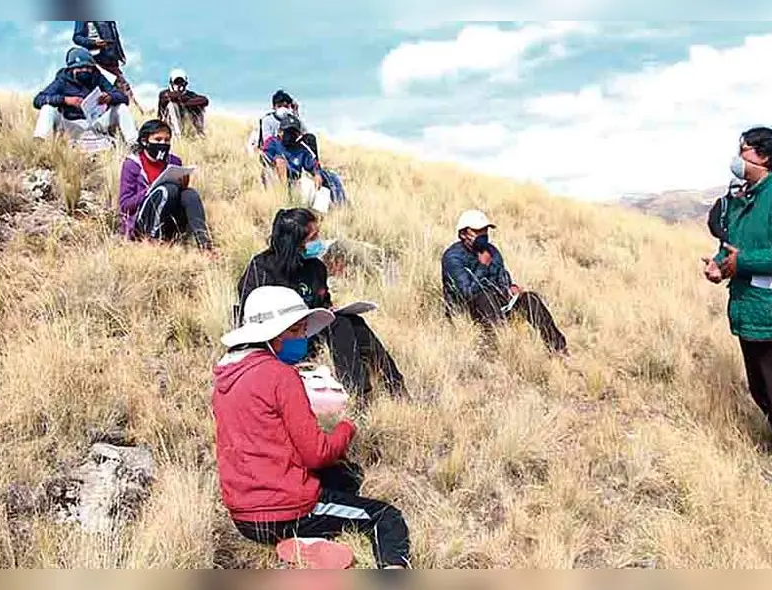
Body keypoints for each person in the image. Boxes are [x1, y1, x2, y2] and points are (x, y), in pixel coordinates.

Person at [213, 285, 411, 569]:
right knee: (385, 518)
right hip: (286, 511)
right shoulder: (280, 376)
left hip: (244, 517)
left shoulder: (226, 377)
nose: (303, 338)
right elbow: (317, 454)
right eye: (296, 331)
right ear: (274, 335)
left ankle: (306, 543)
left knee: (344, 476)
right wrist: (346, 429)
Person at [702, 126, 772, 488]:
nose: (738, 157)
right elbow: (731, 247)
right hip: (750, 311)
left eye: (744, 150)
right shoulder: (743, 198)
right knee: (762, 390)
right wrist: (719, 266)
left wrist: (743, 262)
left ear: (764, 156)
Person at [236, 208, 406, 399]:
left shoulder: (316, 268)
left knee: (352, 322)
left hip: (309, 333)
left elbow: (322, 301)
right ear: (295, 242)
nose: (319, 241)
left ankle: (393, 385)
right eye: (313, 237)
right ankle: (357, 392)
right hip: (278, 340)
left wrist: (329, 308)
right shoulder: (261, 269)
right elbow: (248, 316)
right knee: (338, 324)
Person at [442, 209, 568, 354]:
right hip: (469, 311)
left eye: (485, 230)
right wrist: (482, 266)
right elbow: (467, 293)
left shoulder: (492, 251)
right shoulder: (453, 257)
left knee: (530, 299)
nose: (483, 234)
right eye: (478, 231)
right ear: (463, 234)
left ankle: (558, 349)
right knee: (485, 296)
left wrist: (511, 288)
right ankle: (497, 350)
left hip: (498, 307)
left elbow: (503, 278)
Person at [118, 119, 212, 250]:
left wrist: (183, 185)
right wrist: (149, 191)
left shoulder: (174, 161)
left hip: (170, 220)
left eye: (167, 140)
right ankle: (153, 241)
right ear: (145, 141)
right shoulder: (132, 164)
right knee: (168, 189)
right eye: (158, 140)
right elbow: (125, 205)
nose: (163, 144)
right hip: (143, 222)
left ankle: (204, 245)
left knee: (189, 194)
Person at [33, 47, 137, 146]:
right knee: (47, 109)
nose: (85, 70)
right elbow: (38, 100)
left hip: (96, 123)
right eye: (80, 67)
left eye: (88, 67)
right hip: (70, 124)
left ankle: (133, 143)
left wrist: (110, 97)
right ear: (71, 68)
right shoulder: (62, 80)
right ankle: (40, 143)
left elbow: (123, 97)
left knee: (121, 107)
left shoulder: (97, 77)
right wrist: (65, 100)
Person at [264, 114, 347, 210]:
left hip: (295, 181)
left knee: (320, 188)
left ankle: (318, 213)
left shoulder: (302, 149)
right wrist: (276, 161)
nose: (290, 135)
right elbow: (264, 157)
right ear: (280, 132)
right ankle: (283, 199)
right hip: (275, 179)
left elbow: (313, 164)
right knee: (280, 163)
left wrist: (317, 174)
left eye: (293, 133)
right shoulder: (272, 142)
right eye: (287, 132)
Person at [71, 21, 141, 111]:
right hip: (96, 59)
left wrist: (120, 54)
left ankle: (133, 110)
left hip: (111, 58)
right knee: (102, 89)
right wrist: (93, 43)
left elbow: (115, 37)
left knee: (121, 86)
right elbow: (77, 38)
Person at [247, 89, 318, 157]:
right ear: (274, 107)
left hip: (292, 150)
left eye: (286, 106)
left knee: (310, 138)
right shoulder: (267, 120)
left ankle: (314, 163)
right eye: (279, 106)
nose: (283, 109)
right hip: (275, 151)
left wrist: (295, 113)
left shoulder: (293, 119)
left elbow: (304, 132)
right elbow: (268, 141)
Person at [157, 68, 209, 138]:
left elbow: (204, 100)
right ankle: (177, 135)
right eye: (176, 82)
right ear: (171, 83)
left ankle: (199, 134)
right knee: (172, 105)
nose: (179, 85)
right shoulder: (164, 93)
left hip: (184, 121)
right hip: (167, 125)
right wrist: (185, 100)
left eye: (181, 82)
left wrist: (183, 102)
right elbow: (170, 97)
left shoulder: (190, 94)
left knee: (199, 107)